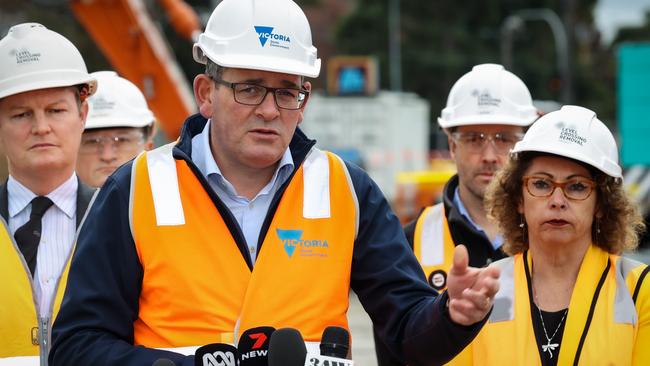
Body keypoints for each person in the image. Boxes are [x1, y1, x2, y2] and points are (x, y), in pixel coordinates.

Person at [49, 0, 500, 365]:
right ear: (207, 93)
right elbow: (77, 345)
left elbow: (406, 332)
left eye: (288, 91)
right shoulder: (136, 189)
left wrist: (449, 316)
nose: (269, 109)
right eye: (250, 88)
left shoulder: (348, 190)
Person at [375, 63, 538, 365]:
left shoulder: (549, 236)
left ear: (524, 146)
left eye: (504, 138)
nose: (489, 156)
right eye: (474, 138)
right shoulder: (410, 241)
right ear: (452, 145)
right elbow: (394, 350)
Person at [465, 105, 648, 365]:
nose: (558, 200)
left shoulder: (640, 290)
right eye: (541, 184)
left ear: (600, 204)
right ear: (518, 198)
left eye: (576, 186)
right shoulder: (482, 291)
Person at [0, 23, 97, 362]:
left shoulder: (123, 219)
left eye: (56, 111)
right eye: (21, 114)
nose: (41, 127)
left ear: (82, 114)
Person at [76, 71, 156, 188]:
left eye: (122, 140)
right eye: (92, 142)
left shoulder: (169, 204)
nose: (107, 156)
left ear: (148, 148)